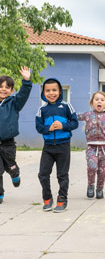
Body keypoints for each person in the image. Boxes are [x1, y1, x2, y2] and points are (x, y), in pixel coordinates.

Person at [36, 78, 78, 213]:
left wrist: (63, 126)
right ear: (43, 92)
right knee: (43, 174)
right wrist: (48, 128)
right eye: (48, 90)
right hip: (48, 147)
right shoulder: (42, 109)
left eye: (54, 90)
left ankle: (62, 199)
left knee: (62, 175)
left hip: (63, 146)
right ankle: (47, 198)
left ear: (60, 91)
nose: (51, 93)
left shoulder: (66, 106)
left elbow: (75, 123)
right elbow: (38, 127)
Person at [0, 67, 32, 204]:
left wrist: (26, 81)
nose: (3, 89)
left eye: (7, 87)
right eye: (1, 86)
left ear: (12, 90)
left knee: (10, 165)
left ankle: (15, 173)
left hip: (8, 143)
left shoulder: (14, 103)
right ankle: (0, 194)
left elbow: (23, 95)